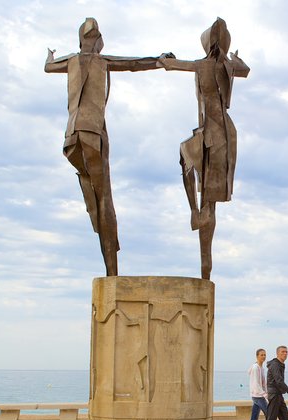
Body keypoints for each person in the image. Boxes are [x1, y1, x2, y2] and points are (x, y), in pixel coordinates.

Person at [44, 18, 169, 276]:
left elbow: (47, 67)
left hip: (71, 139)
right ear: (100, 42)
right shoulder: (102, 61)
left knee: (94, 194)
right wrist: (158, 60)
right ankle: (112, 270)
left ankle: (105, 247)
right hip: (92, 133)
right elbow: (134, 63)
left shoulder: (70, 61)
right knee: (104, 200)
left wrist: (50, 55)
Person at [161, 18, 250, 280]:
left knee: (206, 197)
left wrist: (166, 60)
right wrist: (234, 57)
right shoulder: (229, 66)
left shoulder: (204, 65)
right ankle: (196, 215)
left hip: (214, 132)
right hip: (221, 131)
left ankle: (196, 216)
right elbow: (245, 68)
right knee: (187, 160)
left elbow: (175, 65)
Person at [246, 348, 270, 420]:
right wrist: (265, 394)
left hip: (257, 396)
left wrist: (266, 392)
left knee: (254, 419)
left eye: (264, 355)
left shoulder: (261, 368)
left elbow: (263, 384)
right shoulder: (256, 368)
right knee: (269, 417)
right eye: (261, 355)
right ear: (257, 356)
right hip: (258, 396)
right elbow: (256, 383)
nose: (263, 357)